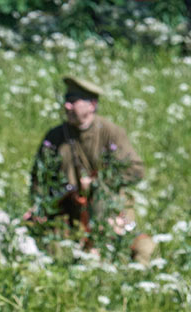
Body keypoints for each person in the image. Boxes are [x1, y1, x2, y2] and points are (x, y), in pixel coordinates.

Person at [29, 76, 153, 264]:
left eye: (73, 101)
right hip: (68, 213)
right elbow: (38, 179)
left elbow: (136, 169)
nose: (67, 106)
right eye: (66, 100)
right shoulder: (55, 136)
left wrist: (98, 183)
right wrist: (38, 207)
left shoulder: (111, 132)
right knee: (54, 254)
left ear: (92, 105)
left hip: (108, 209)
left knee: (138, 250)